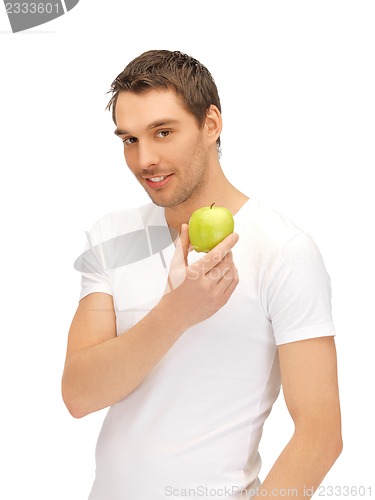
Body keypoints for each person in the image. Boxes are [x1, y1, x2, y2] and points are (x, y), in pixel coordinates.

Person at [62, 50, 342, 499]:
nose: (145, 159)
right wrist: (176, 313)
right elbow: (79, 395)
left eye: (163, 132)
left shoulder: (284, 250)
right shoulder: (110, 236)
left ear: (211, 124)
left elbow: (321, 432)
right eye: (129, 140)